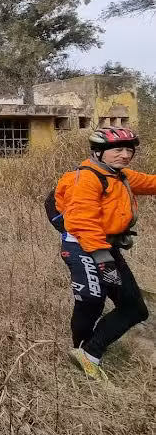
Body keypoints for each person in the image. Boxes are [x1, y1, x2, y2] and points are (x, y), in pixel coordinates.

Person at [54, 126, 155, 379]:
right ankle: (84, 354)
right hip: (82, 246)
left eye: (129, 150)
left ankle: (87, 354)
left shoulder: (121, 176)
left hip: (106, 247)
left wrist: (106, 255)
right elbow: (83, 221)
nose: (125, 155)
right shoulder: (87, 178)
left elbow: (152, 183)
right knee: (91, 299)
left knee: (134, 309)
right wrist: (102, 259)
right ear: (98, 152)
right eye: (117, 150)